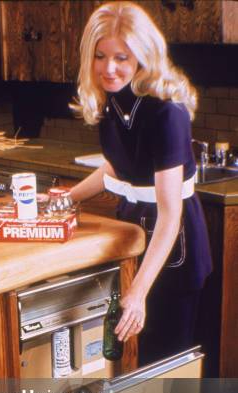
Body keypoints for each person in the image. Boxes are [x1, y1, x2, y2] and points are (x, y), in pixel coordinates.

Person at [67, 1, 212, 366]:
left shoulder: (166, 112)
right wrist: (66, 198)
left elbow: (169, 214)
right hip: (135, 234)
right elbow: (116, 168)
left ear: (143, 56)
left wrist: (137, 292)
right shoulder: (113, 103)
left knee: (165, 370)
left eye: (121, 57)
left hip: (173, 247)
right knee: (134, 366)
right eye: (100, 56)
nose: (109, 68)